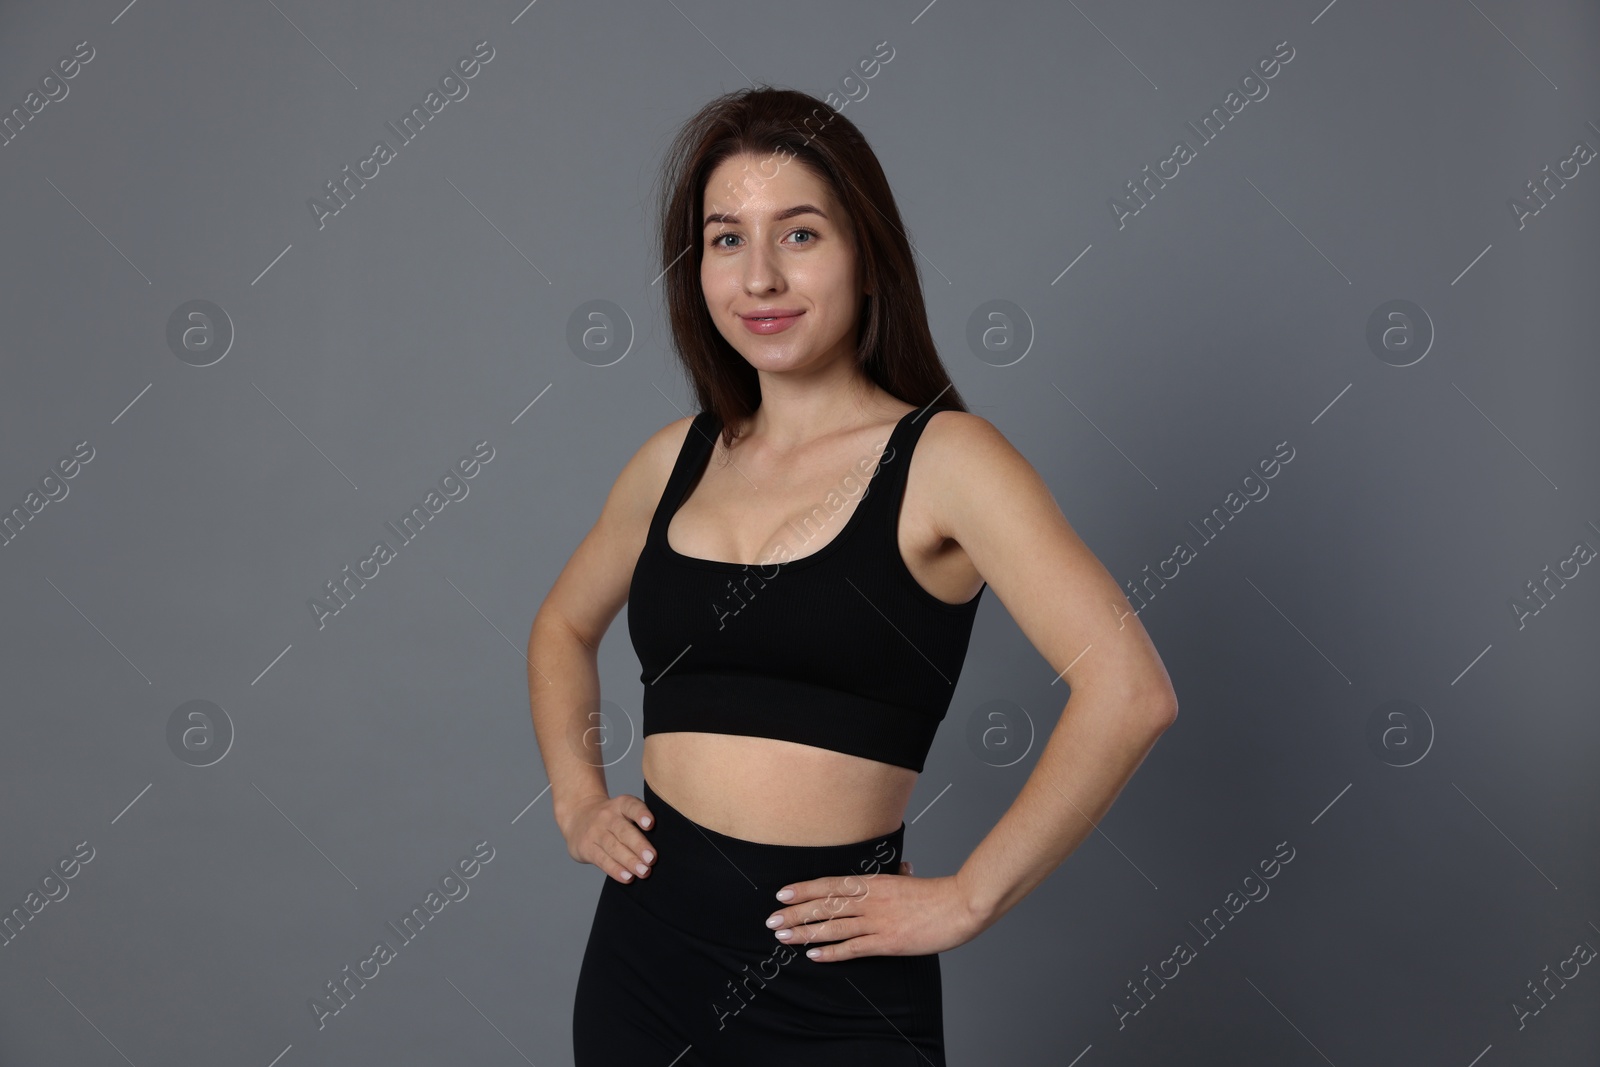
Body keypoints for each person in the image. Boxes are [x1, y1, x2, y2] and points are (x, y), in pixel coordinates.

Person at [529, 86, 1178, 1066]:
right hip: (642, 969)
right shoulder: (673, 459)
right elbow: (560, 629)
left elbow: (1130, 691)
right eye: (724, 239)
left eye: (798, 235)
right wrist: (578, 798)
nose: (758, 277)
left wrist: (967, 897)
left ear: (866, 255)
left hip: (832, 991)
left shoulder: (948, 460)